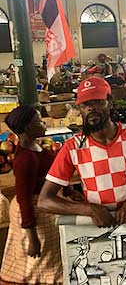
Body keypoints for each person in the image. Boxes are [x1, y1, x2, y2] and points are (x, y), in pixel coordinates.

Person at [38, 76, 126, 227]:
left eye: (98, 102)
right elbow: (44, 201)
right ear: (80, 109)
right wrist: (89, 209)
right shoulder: (73, 147)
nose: (91, 108)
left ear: (110, 103)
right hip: (98, 226)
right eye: (85, 104)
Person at [0, 106, 63, 284]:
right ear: (28, 128)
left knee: (44, 260)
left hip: (42, 206)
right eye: (39, 121)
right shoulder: (25, 159)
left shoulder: (36, 147)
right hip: (31, 212)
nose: (44, 123)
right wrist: (32, 236)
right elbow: (23, 198)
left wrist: (67, 190)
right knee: (36, 260)